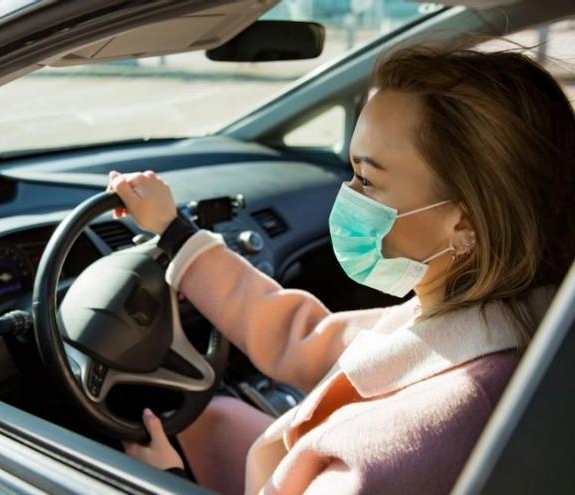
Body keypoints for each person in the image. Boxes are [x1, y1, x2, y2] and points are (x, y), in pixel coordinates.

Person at [109, 45, 575, 494]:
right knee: (216, 419)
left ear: (464, 221)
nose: (346, 195)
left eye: (368, 180)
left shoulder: (420, 436)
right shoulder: (496, 316)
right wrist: (176, 235)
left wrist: (166, 483)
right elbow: (308, 336)